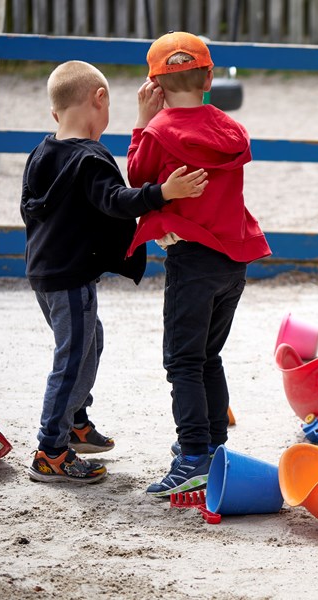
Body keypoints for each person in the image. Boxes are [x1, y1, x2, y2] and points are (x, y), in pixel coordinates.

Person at [22, 60, 208, 484]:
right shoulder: (90, 159)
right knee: (71, 358)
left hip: (43, 273)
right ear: (99, 99)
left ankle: (75, 421)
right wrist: (164, 193)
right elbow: (116, 200)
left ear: (56, 113)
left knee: (89, 340)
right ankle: (51, 450)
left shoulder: (42, 151)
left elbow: (30, 207)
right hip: (70, 278)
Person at [126, 31, 272, 498]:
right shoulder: (230, 130)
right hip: (234, 261)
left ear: (155, 84)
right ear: (209, 77)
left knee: (183, 362)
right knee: (208, 356)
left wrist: (141, 122)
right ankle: (213, 446)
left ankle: (192, 457)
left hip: (191, 260)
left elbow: (137, 177)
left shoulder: (158, 132)